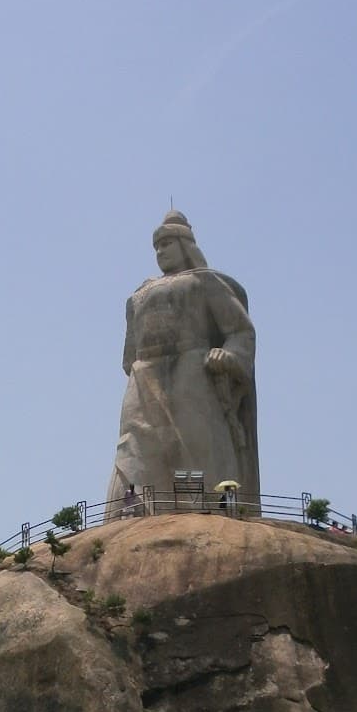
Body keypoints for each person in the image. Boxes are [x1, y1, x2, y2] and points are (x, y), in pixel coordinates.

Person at [107, 212, 258, 510]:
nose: (161, 251)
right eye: (157, 246)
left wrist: (228, 356)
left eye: (167, 243)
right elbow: (129, 356)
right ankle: (132, 512)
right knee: (133, 451)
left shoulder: (204, 282)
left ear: (185, 244)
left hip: (193, 376)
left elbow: (241, 331)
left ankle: (210, 509)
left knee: (198, 451)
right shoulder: (139, 295)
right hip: (142, 380)